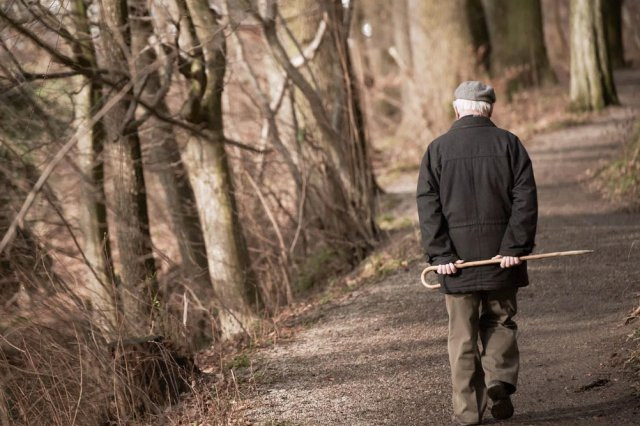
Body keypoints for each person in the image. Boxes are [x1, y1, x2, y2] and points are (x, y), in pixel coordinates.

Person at [416, 81, 538, 425]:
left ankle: (468, 414)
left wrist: (441, 254)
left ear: (457, 110)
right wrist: (514, 247)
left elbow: (428, 207)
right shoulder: (509, 144)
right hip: (502, 260)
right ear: (490, 109)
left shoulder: (436, 150)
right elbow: (525, 200)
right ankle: (499, 379)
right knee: (499, 320)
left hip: (456, 264)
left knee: (462, 336)